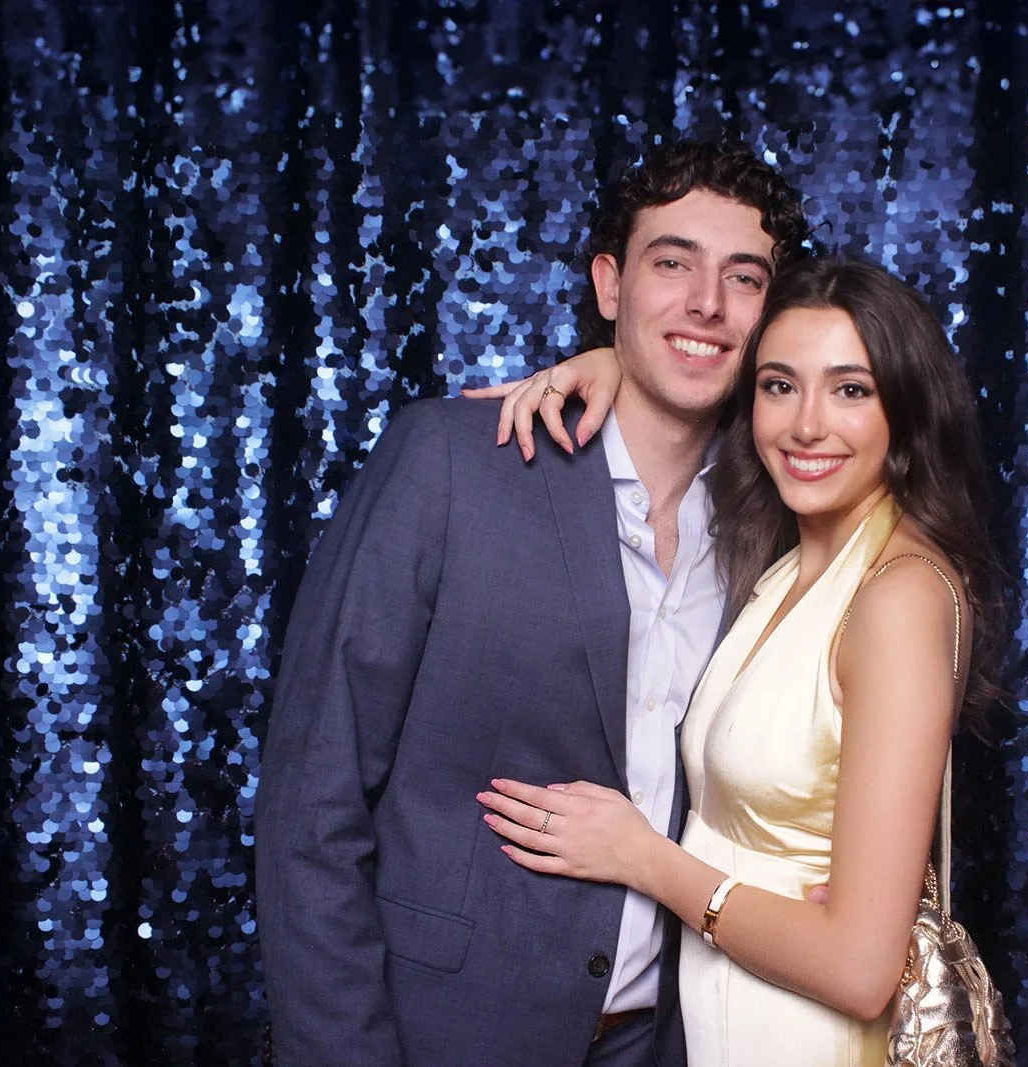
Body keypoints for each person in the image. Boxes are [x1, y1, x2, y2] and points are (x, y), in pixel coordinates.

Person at [253, 138, 811, 1067]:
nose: (706, 303)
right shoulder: (449, 461)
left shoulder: (782, 529)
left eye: (744, 278)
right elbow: (312, 799)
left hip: (671, 1040)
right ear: (610, 284)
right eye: (672, 262)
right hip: (439, 1037)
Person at [477, 257, 1007, 1066]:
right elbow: (694, 383)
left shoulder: (898, 596)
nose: (806, 425)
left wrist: (643, 858)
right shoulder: (787, 565)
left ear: (907, 408)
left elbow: (861, 972)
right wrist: (615, 361)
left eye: (851, 389)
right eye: (780, 385)